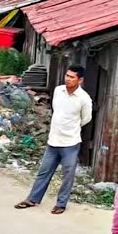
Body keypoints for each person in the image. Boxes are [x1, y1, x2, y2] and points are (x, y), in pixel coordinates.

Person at [15, 65, 93, 214]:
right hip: (53, 140)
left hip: (70, 142)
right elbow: (55, 109)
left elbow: (85, 119)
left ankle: (61, 204)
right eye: (67, 75)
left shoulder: (84, 99)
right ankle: (32, 199)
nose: (68, 79)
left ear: (80, 80)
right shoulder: (58, 91)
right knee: (44, 172)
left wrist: (71, 128)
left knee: (67, 175)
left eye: (72, 77)